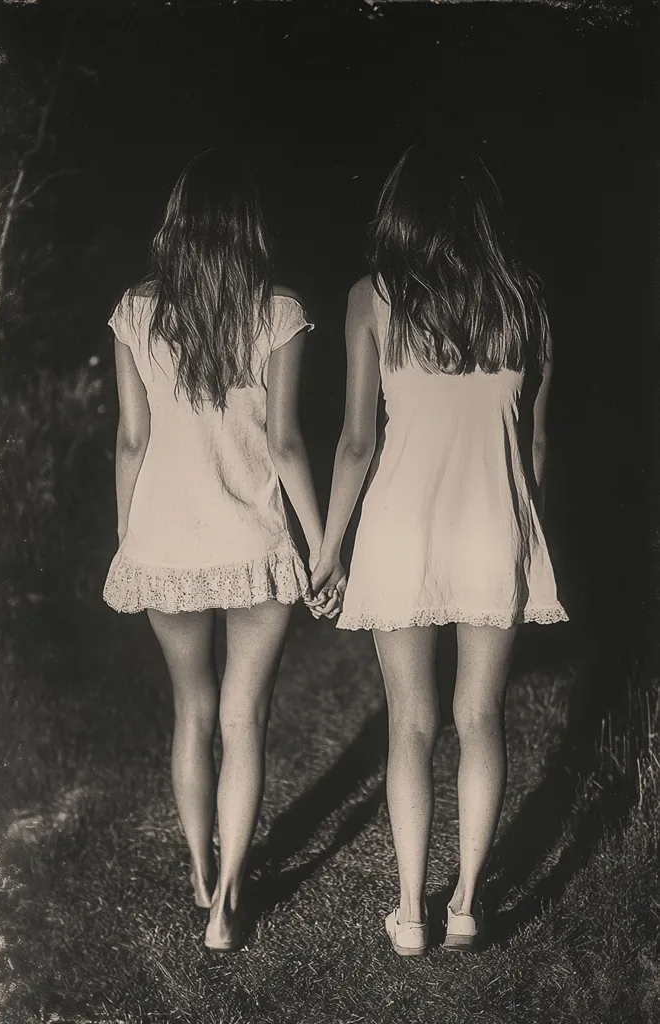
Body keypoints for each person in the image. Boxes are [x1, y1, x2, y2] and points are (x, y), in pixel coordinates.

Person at [309, 141, 568, 956]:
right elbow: (536, 453)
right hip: (495, 524)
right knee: (480, 716)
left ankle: (410, 913)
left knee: (411, 723)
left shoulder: (372, 298)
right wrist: (525, 529)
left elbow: (355, 443)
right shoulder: (527, 303)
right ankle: (465, 906)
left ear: (401, 215)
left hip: (400, 528)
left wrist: (327, 549)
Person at [103, 149, 324, 952]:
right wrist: (322, 543)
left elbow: (131, 439)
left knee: (190, 714)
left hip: (165, 540)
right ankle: (231, 901)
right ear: (248, 228)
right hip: (255, 543)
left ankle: (200, 871)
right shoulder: (280, 311)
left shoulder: (136, 310)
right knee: (245, 718)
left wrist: (131, 538)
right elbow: (288, 442)